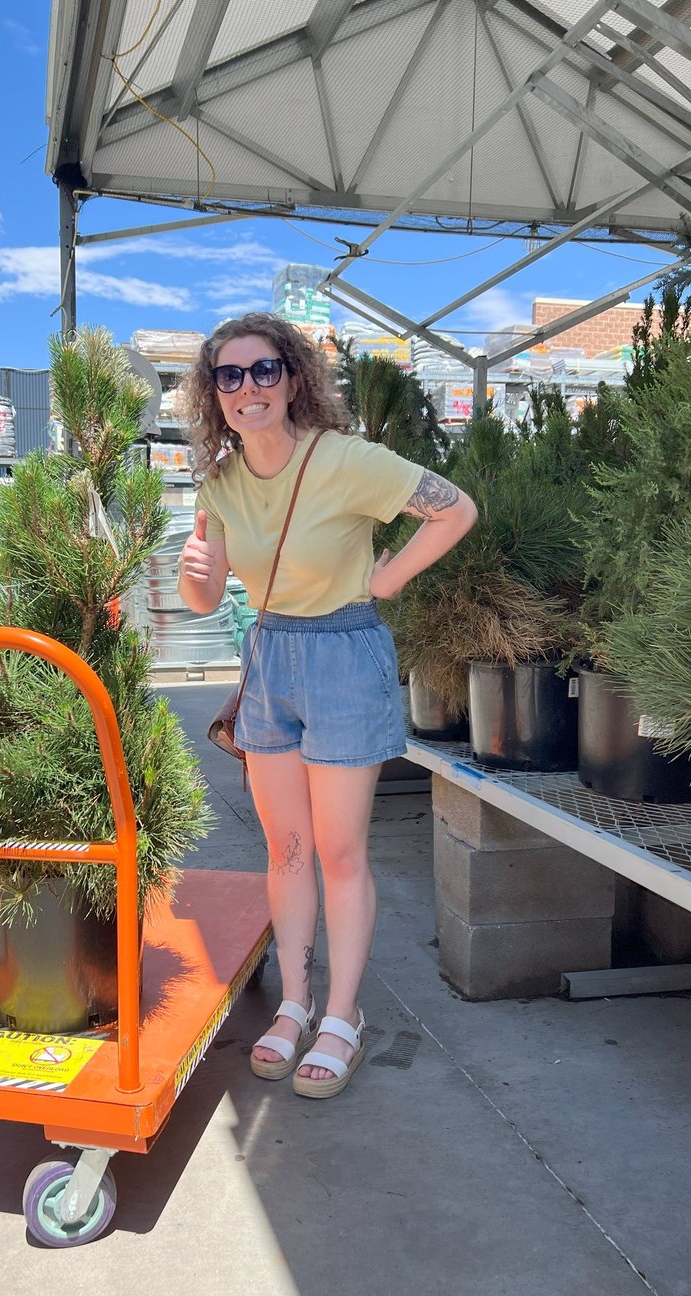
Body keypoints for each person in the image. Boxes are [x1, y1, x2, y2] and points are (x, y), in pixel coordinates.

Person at [177, 313, 477, 1099]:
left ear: (294, 377)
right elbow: (206, 597)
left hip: (345, 653)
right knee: (285, 849)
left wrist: (388, 580)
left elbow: (456, 509)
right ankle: (295, 1001)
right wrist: (192, 573)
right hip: (269, 654)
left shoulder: (345, 460)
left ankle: (343, 1013)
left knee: (340, 850)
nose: (248, 388)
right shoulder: (218, 483)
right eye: (229, 375)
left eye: (264, 370)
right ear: (214, 393)